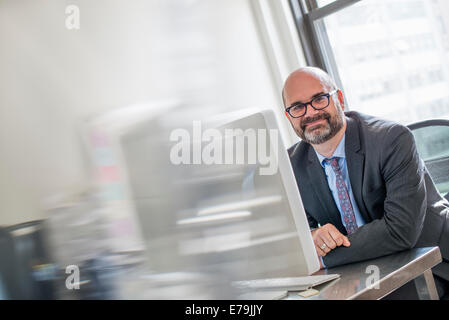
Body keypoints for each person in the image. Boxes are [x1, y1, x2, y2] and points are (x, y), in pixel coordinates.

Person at [283, 66, 449, 298]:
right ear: (289, 116)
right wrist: (311, 235)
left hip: (429, 256)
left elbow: (400, 231)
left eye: (319, 99)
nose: (310, 113)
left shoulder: (392, 139)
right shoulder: (291, 166)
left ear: (339, 98)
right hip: (360, 268)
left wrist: (318, 256)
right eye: (297, 107)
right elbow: (290, 235)